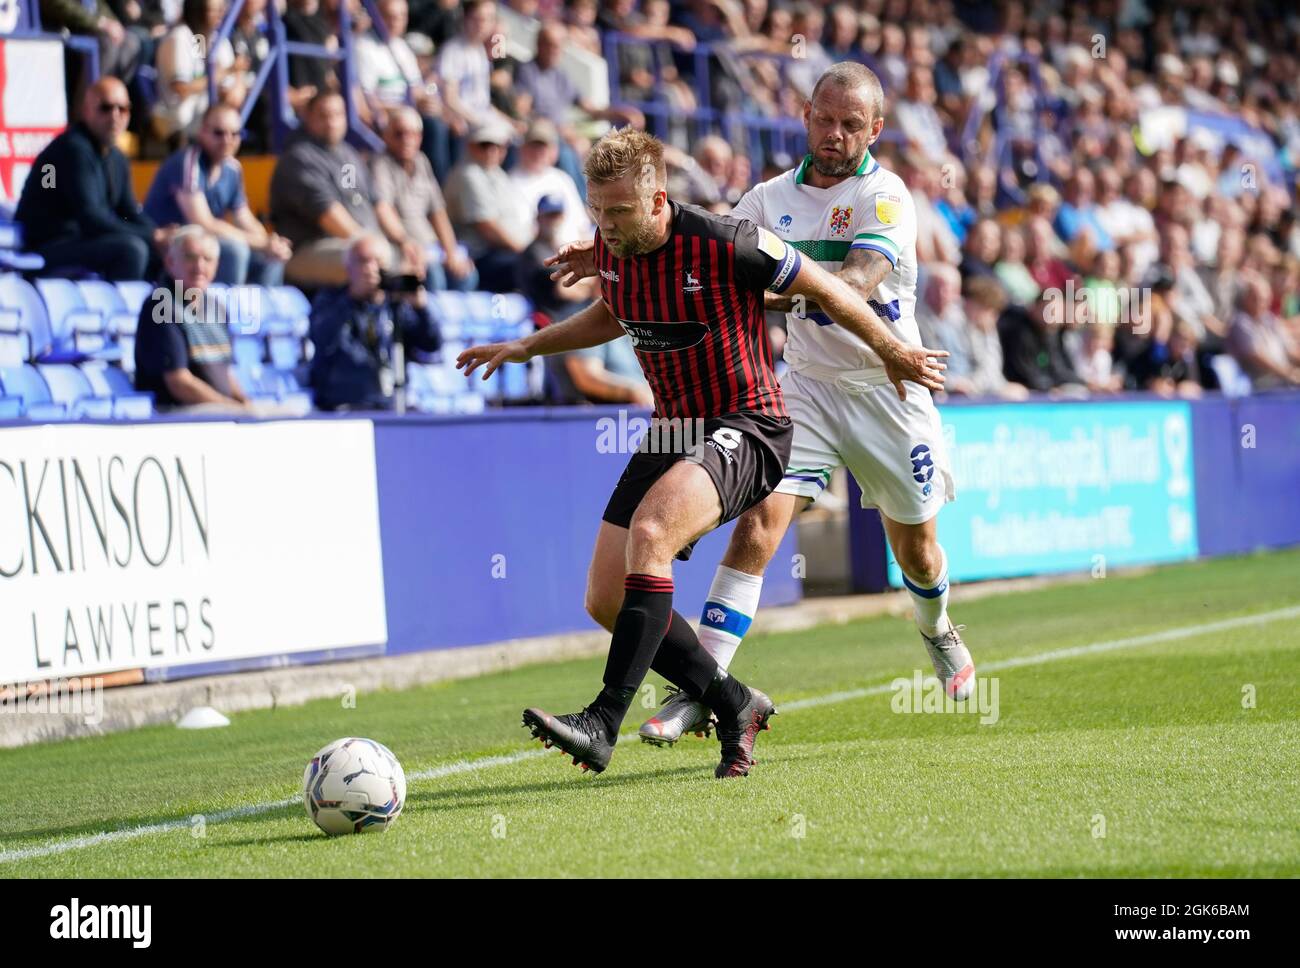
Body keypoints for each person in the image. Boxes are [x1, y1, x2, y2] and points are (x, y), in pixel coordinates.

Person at [458, 127, 946, 778]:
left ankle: (603, 719)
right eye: (596, 212)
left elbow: (827, 290)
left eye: (620, 212)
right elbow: (615, 312)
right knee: (605, 598)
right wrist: (526, 346)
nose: (606, 225)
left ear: (659, 200)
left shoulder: (727, 243)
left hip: (749, 423)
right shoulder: (612, 247)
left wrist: (892, 350)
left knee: (652, 532)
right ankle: (734, 702)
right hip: (674, 427)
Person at [546, 64, 972, 747]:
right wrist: (607, 253)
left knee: (917, 552)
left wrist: (764, 285)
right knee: (758, 529)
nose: (834, 135)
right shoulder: (765, 200)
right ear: (805, 116)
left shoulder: (884, 195)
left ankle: (937, 628)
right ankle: (706, 688)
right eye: (824, 119)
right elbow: (688, 247)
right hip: (803, 387)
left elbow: (856, 281)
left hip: (887, 389)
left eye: (851, 125)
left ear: (875, 130)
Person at [16, 78, 171, 281]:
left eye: (123, 109)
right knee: (132, 249)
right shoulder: (73, 149)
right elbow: (91, 219)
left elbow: (128, 212)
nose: (115, 116)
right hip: (50, 243)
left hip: (83, 239)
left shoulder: (117, 157)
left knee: (170, 254)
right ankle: (123, 312)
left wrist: (162, 237)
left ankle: (168, 311)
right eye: (105, 108)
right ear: (86, 110)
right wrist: (153, 237)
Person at [144, 104, 293, 286]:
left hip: (201, 243)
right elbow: (203, 223)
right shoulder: (187, 162)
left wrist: (269, 243)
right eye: (219, 133)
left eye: (235, 134)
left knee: (272, 257)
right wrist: (260, 243)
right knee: (235, 251)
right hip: (170, 246)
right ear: (202, 133)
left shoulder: (232, 168)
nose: (227, 140)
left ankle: (260, 313)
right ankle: (224, 311)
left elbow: (244, 218)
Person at [270, 92, 394, 287]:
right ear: (308, 117)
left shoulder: (347, 156)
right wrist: (368, 244)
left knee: (411, 259)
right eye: (324, 115)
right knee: (372, 260)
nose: (332, 122)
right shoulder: (299, 157)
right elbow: (328, 216)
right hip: (309, 249)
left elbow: (368, 201)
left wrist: (403, 241)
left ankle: (397, 317)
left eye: (338, 115)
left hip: (354, 242)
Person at [309, 235, 443, 410]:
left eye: (378, 262)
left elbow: (430, 345)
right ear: (348, 267)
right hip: (344, 405)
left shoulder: (395, 305)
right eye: (363, 261)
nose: (370, 269)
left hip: (391, 402)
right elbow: (322, 339)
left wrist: (420, 308)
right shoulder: (330, 300)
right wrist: (351, 298)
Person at [134, 226, 250, 411]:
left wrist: (247, 406)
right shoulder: (160, 305)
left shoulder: (216, 307)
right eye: (190, 257)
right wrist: (234, 410)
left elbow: (225, 374)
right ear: (170, 262)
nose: (199, 267)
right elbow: (179, 383)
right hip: (180, 416)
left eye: (208, 259)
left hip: (220, 414)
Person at [371, 107, 478, 291]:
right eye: (399, 134)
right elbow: (383, 209)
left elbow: (438, 212)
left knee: (466, 274)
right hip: (399, 244)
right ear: (386, 136)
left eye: (413, 134)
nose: (407, 140)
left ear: (420, 138)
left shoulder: (422, 161)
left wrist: (451, 251)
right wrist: (405, 241)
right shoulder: (380, 164)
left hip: (430, 246)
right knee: (433, 275)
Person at [444, 118, 534, 292]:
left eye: (498, 146)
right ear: (471, 146)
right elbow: (487, 227)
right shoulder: (468, 174)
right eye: (485, 144)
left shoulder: (497, 174)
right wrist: (527, 251)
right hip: (481, 256)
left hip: (506, 251)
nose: (492, 151)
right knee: (534, 269)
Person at [153, 0, 247, 142]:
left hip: (205, 118)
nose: (220, 14)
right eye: (214, 10)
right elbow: (182, 88)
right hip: (176, 116)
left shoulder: (214, 38)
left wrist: (236, 82)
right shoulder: (179, 36)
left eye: (221, 9)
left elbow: (231, 89)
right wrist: (226, 72)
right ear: (197, 11)